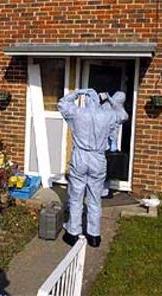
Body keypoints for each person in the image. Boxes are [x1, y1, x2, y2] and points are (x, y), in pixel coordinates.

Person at [58, 88, 116, 248]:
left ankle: (73, 233)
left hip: (81, 156)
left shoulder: (78, 113)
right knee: (95, 198)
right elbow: (114, 129)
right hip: (98, 157)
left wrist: (77, 93)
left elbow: (62, 103)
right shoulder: (108, 115)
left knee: (76, 196)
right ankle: (94, 235)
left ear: (86, 100)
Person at [100, 91, 129, 198]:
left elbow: (124, 117)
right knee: (101, 167)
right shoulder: (106, 106)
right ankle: (100, 189)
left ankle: (105, 190)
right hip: (102, 141)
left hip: (111, 143)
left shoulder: (119, 110)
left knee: (109, 167)